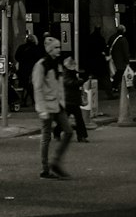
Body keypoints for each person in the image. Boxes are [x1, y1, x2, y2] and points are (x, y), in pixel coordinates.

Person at [32, 35, 73, 180]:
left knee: (68, 131)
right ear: (49, 49)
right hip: (47, 106)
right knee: (46, 137)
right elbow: (37, 88)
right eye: (56, 48)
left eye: (59, 47)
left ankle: (55, 162)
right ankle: (45, 168)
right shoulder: (41, 65)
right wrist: (42, 109)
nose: (59, 50)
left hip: (57, 104)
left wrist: (62, 103)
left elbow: (60, 86)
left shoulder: (58, 64)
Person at [61, 55, 89, 142]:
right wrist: (80, 81)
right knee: (75, 119)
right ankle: (81, 136)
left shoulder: (69, 72)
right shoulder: (67, 73)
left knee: (77, 119)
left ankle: (81, 136)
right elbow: (69, 83)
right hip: (69, 100)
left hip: (71, 100)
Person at [15, 30, 40, 108]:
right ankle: (31, 100)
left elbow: (16, 57)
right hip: (32, 69)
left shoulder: (21, 47)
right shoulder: (36, 48)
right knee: (30, 86)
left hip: (22, 69)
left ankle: (24, 100)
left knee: (25, 85)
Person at [107, 23, 130, 96]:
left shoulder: (112, 37)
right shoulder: (123, 39)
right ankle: (114, 86)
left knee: (113, 73)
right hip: (120, 60)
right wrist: (127, 60)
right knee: (119, 73)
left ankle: (114, 86)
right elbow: (125, 51)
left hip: (112, 59)